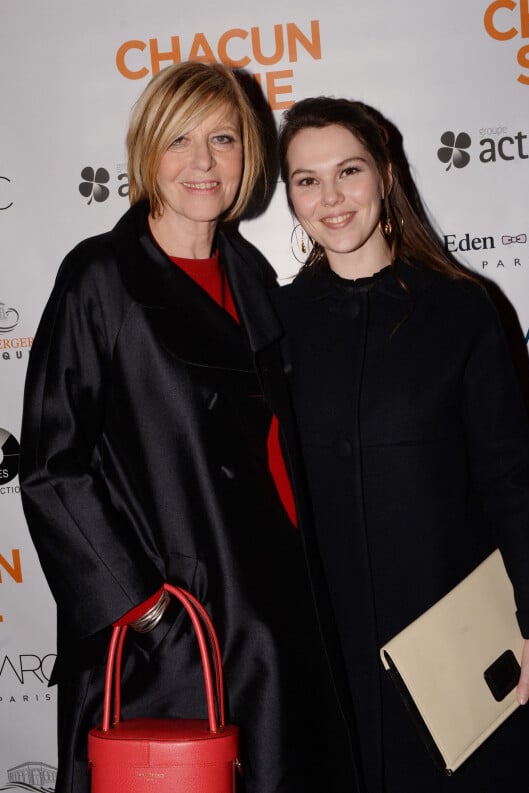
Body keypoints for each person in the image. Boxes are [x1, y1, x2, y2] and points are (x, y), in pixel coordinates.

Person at [19, 66, 357, 793]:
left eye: (224, 138)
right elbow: (53, 466)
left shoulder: (256, 278)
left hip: (280, 626)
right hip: (171, 642)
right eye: (180, 140)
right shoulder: (100, 278)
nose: (203, 161)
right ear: (147, 153)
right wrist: (145, 610)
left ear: (249, 155)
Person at [265, 96, 529, 792]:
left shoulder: (461, 308)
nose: (330, 197)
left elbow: (513, 476)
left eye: (348, 171)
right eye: (306, 180)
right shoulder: (275, 322)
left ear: (385, 174)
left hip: (452, 634)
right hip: (327, 646)